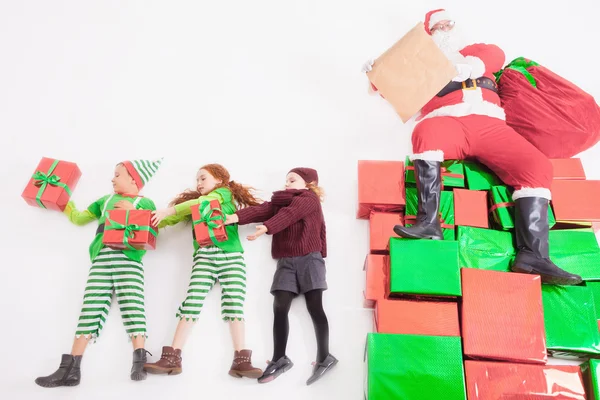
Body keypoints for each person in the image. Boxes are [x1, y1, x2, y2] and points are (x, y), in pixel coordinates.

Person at [362, 9, 582, 286]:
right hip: (449, 122)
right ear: (429, 35)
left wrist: (470, 67)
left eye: (448, 23)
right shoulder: (421, 64)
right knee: (426, 133)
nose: (444, 29)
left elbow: (495, 55)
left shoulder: (477, 52)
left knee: (536, 166)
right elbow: (390, 85)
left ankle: (533, 254)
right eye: (437, 26)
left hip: (492, 126)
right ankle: (429, 224)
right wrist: (377, 74)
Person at [35, 158, 163, 387]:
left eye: (117, 174)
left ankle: (139, 360)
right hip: (102, 258)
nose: (112, 179)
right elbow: (79, 217)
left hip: (129, 259)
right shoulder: (105, 201)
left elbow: (153, 228)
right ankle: (70, 370)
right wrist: (62, 200)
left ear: (134, 179)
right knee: (90, 306)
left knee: (133, 304)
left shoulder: (146, 202)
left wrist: (133, 210)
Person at [144, 164, 263, 379]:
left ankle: (241, 360)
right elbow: (174, 218)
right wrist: (153, 220)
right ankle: (172, 357)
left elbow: (202, 202)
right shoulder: (196, 205)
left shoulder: (223, 195)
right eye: (197, 180)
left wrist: (169, 209)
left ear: (219, 180)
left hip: (231, 257)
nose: (198, 184)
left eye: (202, 179)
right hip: (205, 257)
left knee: (234, 304)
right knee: (191, 302)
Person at [225, 168, 337, 385]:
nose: (287, 183)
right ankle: (279, 359)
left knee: (315, 307)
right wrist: (233, 217)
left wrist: (267, 227)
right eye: (286, 179)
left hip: (309, 259)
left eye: (292, 179)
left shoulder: (309, 199)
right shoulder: (279, 202)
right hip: (286, 261)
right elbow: (261, 209)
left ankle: (325, 357)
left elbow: (290, 215)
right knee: (279, 306)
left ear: (308, 183)